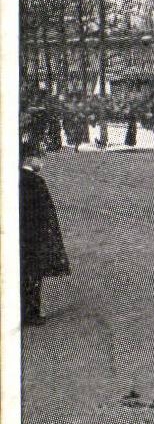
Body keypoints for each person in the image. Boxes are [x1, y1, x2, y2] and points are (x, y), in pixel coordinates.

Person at [20, 137, 70, 326]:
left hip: (19, 235)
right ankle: (31, 314)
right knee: (32, 275)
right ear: (29, 159)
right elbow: (46, 213)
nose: (41, 162)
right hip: (33, 237)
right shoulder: (36, 181)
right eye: (39, 157)